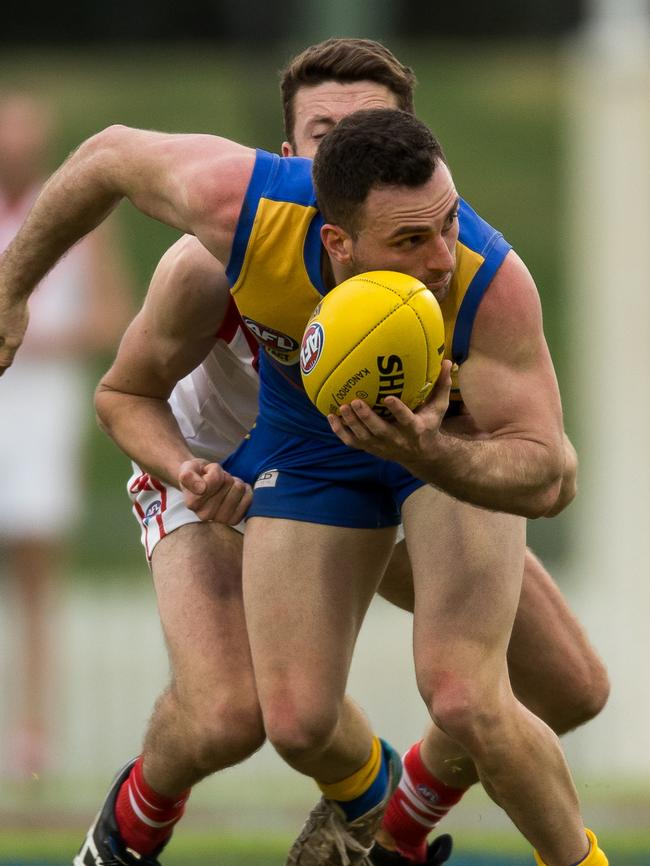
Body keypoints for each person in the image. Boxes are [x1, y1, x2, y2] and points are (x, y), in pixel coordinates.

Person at [0, 51, 608, 866]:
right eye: (328, 136)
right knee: (240, 716)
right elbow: (110, 160)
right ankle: (126, 838)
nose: (438, 257)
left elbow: (552, 474)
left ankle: (395, 825)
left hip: (417, 454)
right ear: (299, 167)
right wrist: (11, 289)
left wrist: (435, 449)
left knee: (560, 689)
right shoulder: (227, 236)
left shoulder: (478, 275)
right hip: (230, 465)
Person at [0, 92, 133, 778]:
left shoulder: (78, 220)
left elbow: (113, 316)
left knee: (35, 578)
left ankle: (33, 731)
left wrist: (39, 336)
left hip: (42, 409)